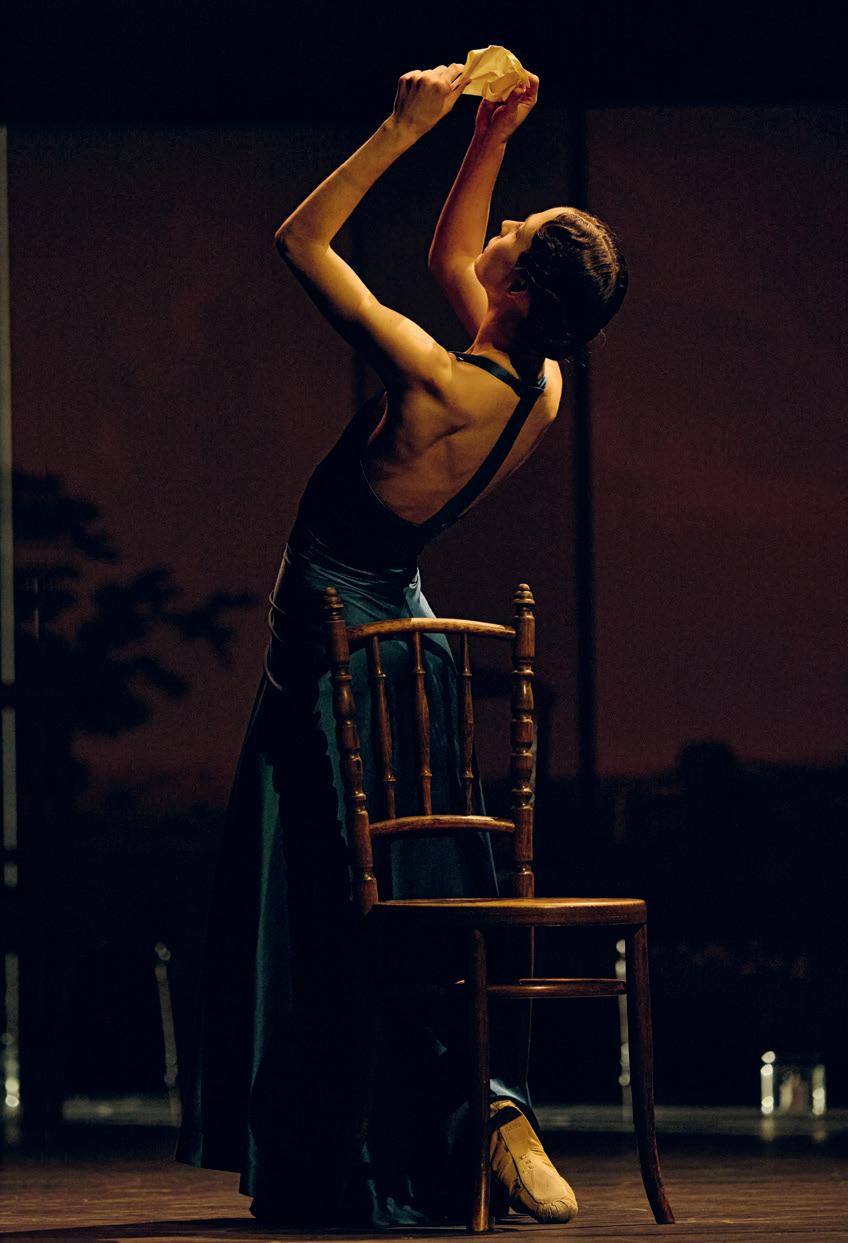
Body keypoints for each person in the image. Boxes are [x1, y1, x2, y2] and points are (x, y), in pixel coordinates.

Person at [176, 62, 628, 1228]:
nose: (500, 227)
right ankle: (484, 1111)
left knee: (340, 892)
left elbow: (301, 241)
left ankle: (402, 1132)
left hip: (335, 631)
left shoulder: (431, 379)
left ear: (517, 290)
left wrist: (402, 127)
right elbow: (452, 258)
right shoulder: (538, 387)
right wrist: (488, 136)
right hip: (401, 627)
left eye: (516, 231)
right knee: (391, 878)